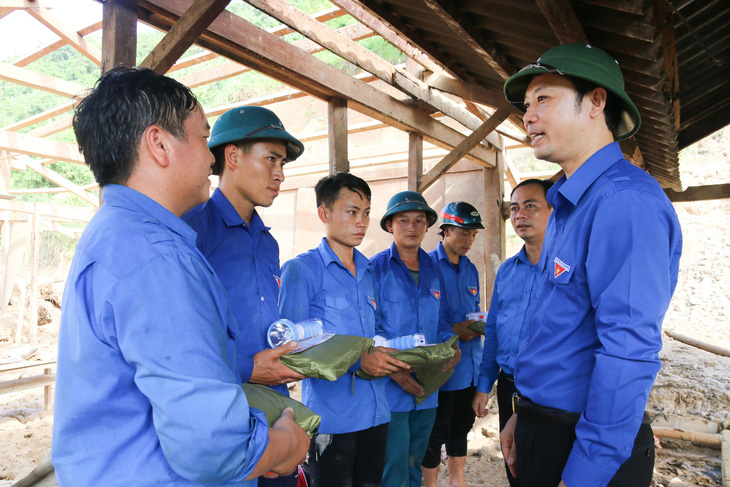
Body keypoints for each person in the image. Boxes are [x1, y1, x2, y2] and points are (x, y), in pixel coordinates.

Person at [52, 67, 310, 487]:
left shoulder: (117, 233)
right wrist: (284, 444)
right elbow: (215, 448)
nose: (210, 157)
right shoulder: (157, 258)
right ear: (159, 144)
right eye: (203, 137)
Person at [499, 44, 682, 487]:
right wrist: (522, 414)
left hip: (582, 447)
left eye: (543, 98)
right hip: (544, 426)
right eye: (526, 106)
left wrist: (587, 471)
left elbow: (628, 350)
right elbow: (556, 330)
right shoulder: (566, 203)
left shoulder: (623, 201)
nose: (528, 116)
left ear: (596, 102)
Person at [182, 105, 307, 486]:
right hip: (218, 414)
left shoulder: (267, 242)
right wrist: (249, 368)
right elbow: (178, 343)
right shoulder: (192, 231)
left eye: (282, 162)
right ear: (232, 156)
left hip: (273, 405)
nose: (280, 174)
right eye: (271, 159)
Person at [278, 173, 409, 486]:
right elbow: (289, 351)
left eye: (365, 213)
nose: (361, 222)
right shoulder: (302, 271)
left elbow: (373, 333)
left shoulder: (368, 271)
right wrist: (357, 362)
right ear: (325, 213)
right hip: (333, 419)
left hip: (378, 412)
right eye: (352, 212)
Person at [370, 191, 461, 487]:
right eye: (403, 220)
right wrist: (394, 371)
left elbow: (443, 319)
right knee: (392, 464)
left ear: (426, 226)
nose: (412, 227)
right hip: (391, 387)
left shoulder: (434, 268)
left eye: (419, 221)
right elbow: (368, 329)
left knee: (416, 460)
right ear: (389, 226)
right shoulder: (376, 269)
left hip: (427, 389)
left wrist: (453, 346)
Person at [471, 179, 553, 487]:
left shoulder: (568, 268)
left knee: (545, 468)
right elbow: (493, 331)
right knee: (514, 466)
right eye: (515, 208)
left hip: (550, 392)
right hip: (509, 387)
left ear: (553, 211)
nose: (520, 215)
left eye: (531, 206)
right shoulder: (506, 271)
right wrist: (484, 386)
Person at [422, 202, 485, 487]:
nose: (469, 240)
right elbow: (423, 319)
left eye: (473, 234)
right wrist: (454, 331)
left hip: (471, 364)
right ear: (445, 231)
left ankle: (457, 481)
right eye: (463, 233)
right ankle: (431, 483)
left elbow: (476, 308)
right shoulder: (427, 267)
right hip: (444, 367)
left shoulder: (471, 268)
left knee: (461, 427)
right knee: (436, 431)